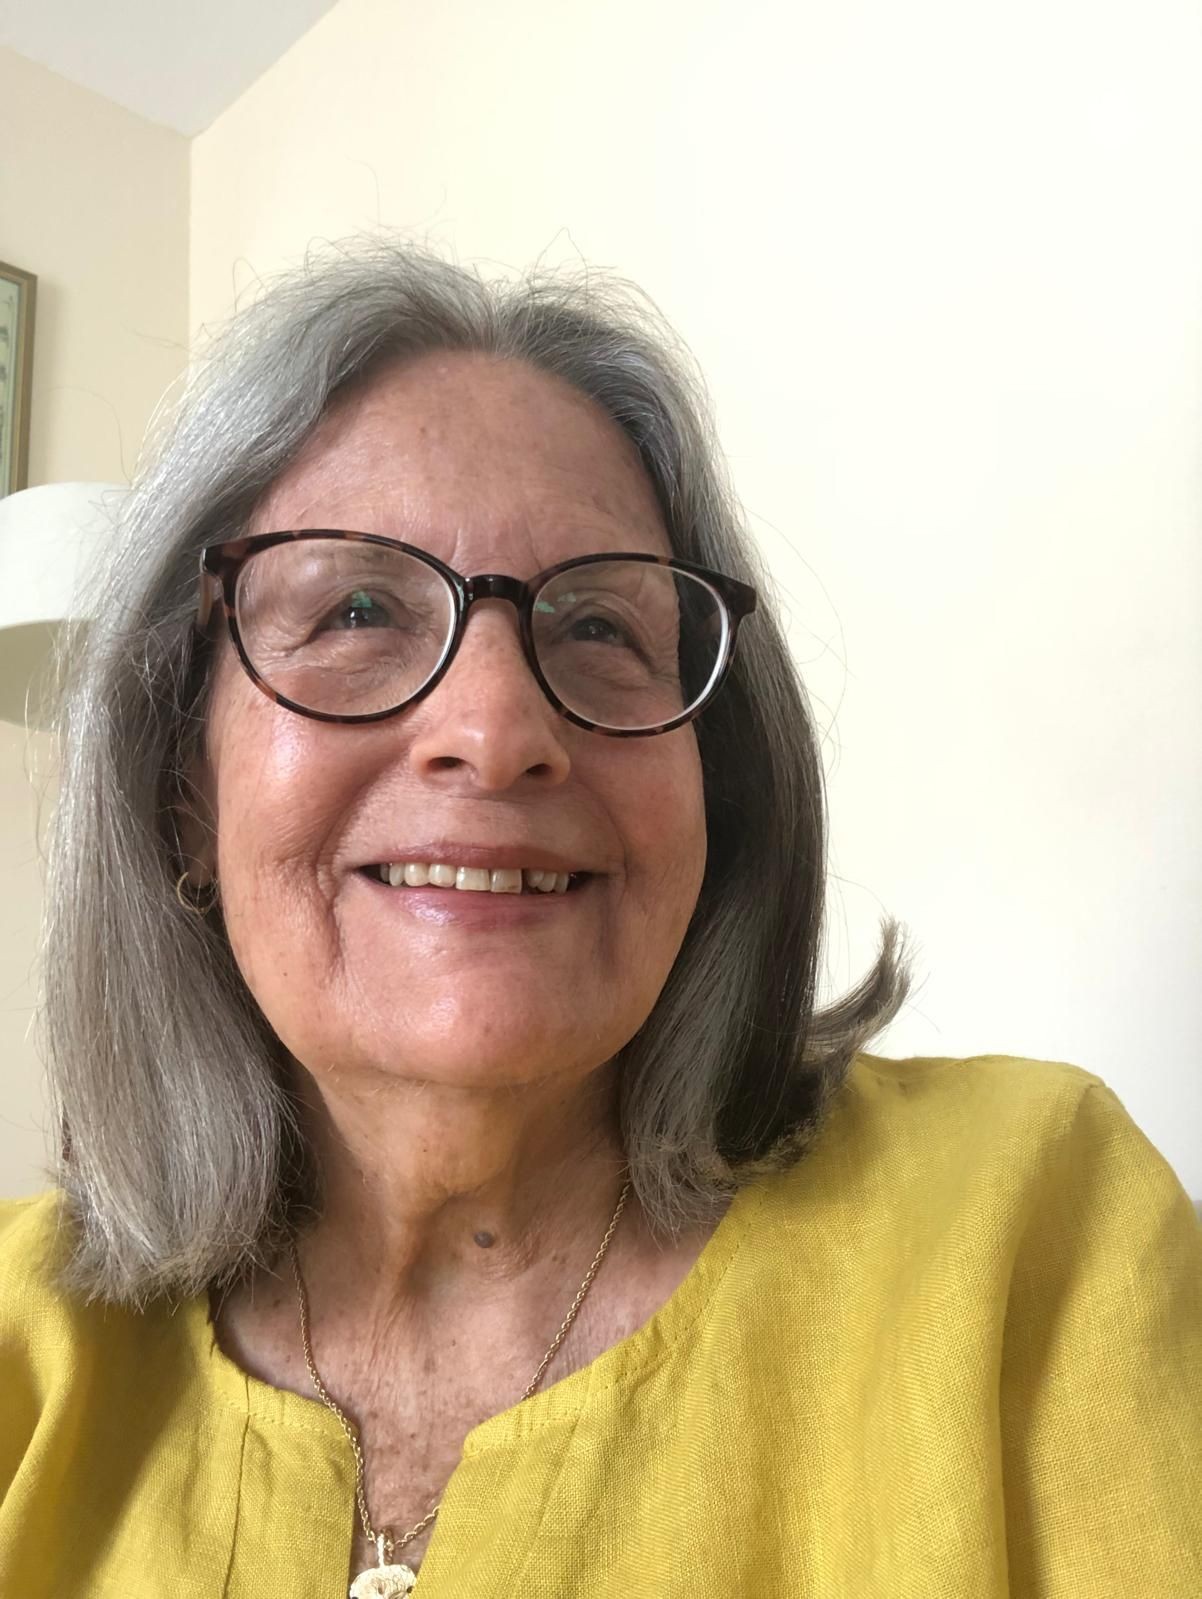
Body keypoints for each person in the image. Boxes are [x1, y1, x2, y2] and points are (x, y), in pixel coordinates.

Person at [0, 242, 1198, 1599]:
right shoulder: (22, 1353)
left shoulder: (1026, 1227)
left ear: (712, 785)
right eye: (355, 607)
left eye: (598, 630)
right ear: (181, 795)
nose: (497, 730)